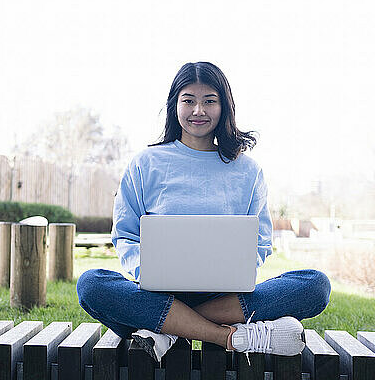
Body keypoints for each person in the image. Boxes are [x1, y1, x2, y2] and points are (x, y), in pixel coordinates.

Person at [76, 61, 331, 363]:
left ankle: (167, 330)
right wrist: (146, 272)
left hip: (226, 297)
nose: (199, 110)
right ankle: (231, 336)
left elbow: (260, 242)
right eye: (189, 100)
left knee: (315, 285)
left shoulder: (247, 171)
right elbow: (126, 235)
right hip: (158, 294)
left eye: (209, 101)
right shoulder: (146, 163)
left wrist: (239, 267)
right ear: (175, 105)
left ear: (224, 107)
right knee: (92, 284)